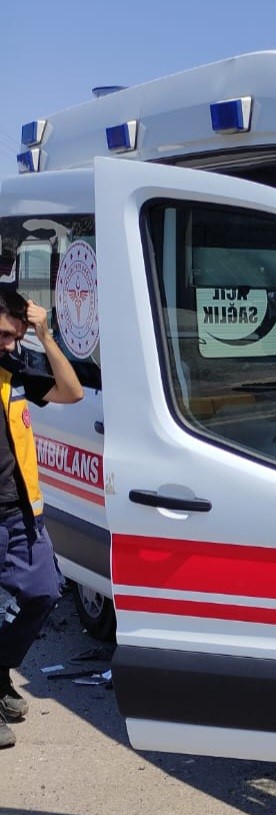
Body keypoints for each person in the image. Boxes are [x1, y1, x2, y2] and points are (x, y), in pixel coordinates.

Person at [0, 286, 85, 749]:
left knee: (43, 593)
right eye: (2, 336)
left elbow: (71, 392)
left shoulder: (13, 367)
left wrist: (45, 335)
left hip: (21, 512)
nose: (10, 344)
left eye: (15, 336)